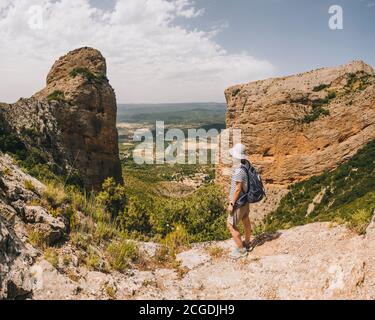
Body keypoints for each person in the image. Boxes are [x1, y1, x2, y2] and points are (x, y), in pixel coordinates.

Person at [227, 143, 253, 260]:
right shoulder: (247, 165)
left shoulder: (238, 171)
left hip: (239, 202)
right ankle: (247, 243)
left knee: (231, 225)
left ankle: (242, 250)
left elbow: (237, 189)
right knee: (245, 219)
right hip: (246, 200)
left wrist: (232, 204)